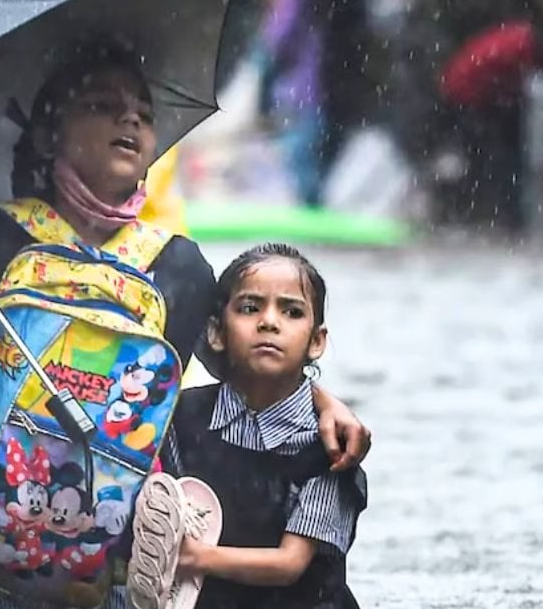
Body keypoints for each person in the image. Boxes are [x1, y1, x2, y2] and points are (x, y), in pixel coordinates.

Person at [0, 43, 372, 609]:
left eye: (143, 111)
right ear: (47, 135)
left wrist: (326, 403)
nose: (130, 119)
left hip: (114, 566)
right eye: (101, 105)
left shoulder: (178, 267)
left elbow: (255, 368)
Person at [128, 243, 366, 609]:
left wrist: (190, 557)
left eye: (291, 311)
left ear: (316, 342)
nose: (269, 321)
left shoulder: (328, 446)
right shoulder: (181, 417)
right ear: (217, 333)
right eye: (250, 308)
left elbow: (290, 564)